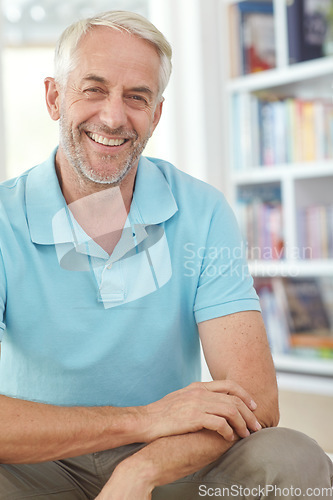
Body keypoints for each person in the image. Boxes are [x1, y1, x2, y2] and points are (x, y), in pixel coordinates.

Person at [0, 10, 331, 500]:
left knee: (294, 459)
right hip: (36, 464)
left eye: (137, 97)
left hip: (173, 461)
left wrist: (143, 469)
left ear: (156, 114)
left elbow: (256, 400)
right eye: (93, 89)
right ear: (54, 97)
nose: (113, 117)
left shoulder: (202, 210)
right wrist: (143, 419)